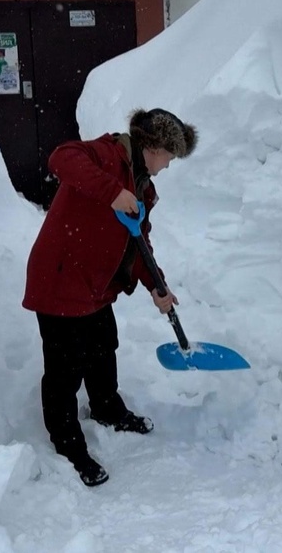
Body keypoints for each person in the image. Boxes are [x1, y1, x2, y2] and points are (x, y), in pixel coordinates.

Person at [22, 108, 198, 486]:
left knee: (103, 347)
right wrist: (112, 192)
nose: (167, 166)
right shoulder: (106, 154)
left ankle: (106, 408)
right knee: (64, 369)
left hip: (96, 286)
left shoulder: (144, 188)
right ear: (152, 146)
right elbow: (60, 158)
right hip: (59, 280)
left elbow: (139, 241)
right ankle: (69, 445)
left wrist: (157, 286)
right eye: (168, 157)